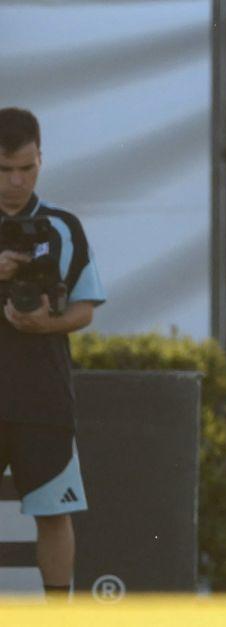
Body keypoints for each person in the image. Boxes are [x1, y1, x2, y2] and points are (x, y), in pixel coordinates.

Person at [0, 107, 106, 599]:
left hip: (42, 397)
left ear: (41, 158)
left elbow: (85, 310)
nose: (16, 181)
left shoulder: (63, 227)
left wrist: (46, 324)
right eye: (3, 170)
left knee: (54, 513)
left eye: (26, 167)